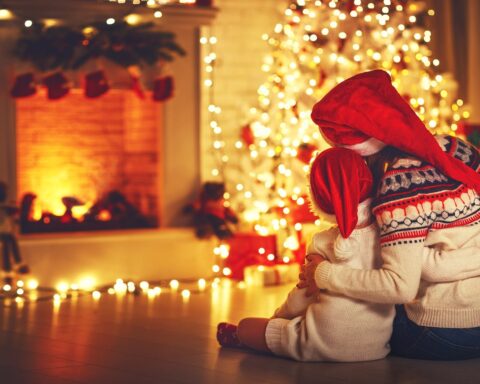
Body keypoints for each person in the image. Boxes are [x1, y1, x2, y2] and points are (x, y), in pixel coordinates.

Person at [217, 148, 479, 361]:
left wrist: (283, 313)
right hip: (379, 348)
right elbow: (423, 271)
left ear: (318, 200)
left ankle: (240, 335)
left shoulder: (324, 241)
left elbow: (301, 296)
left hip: (324, 342)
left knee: (255, 327)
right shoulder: (394, 231)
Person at [300, 69, 480, 360]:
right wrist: (439, 261)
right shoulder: (456, 148)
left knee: (344, 322)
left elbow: (399, 286)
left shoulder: (399, 185)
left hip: (443, 330)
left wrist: (324, 274)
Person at [0, 181, 30, 285]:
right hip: (3, 234)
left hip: (6, 234)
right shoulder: (5, 209)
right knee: (7, 242)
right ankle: (13, 267)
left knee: (9, 242)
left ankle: (10, 271)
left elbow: (14, 217)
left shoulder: (7, 208)